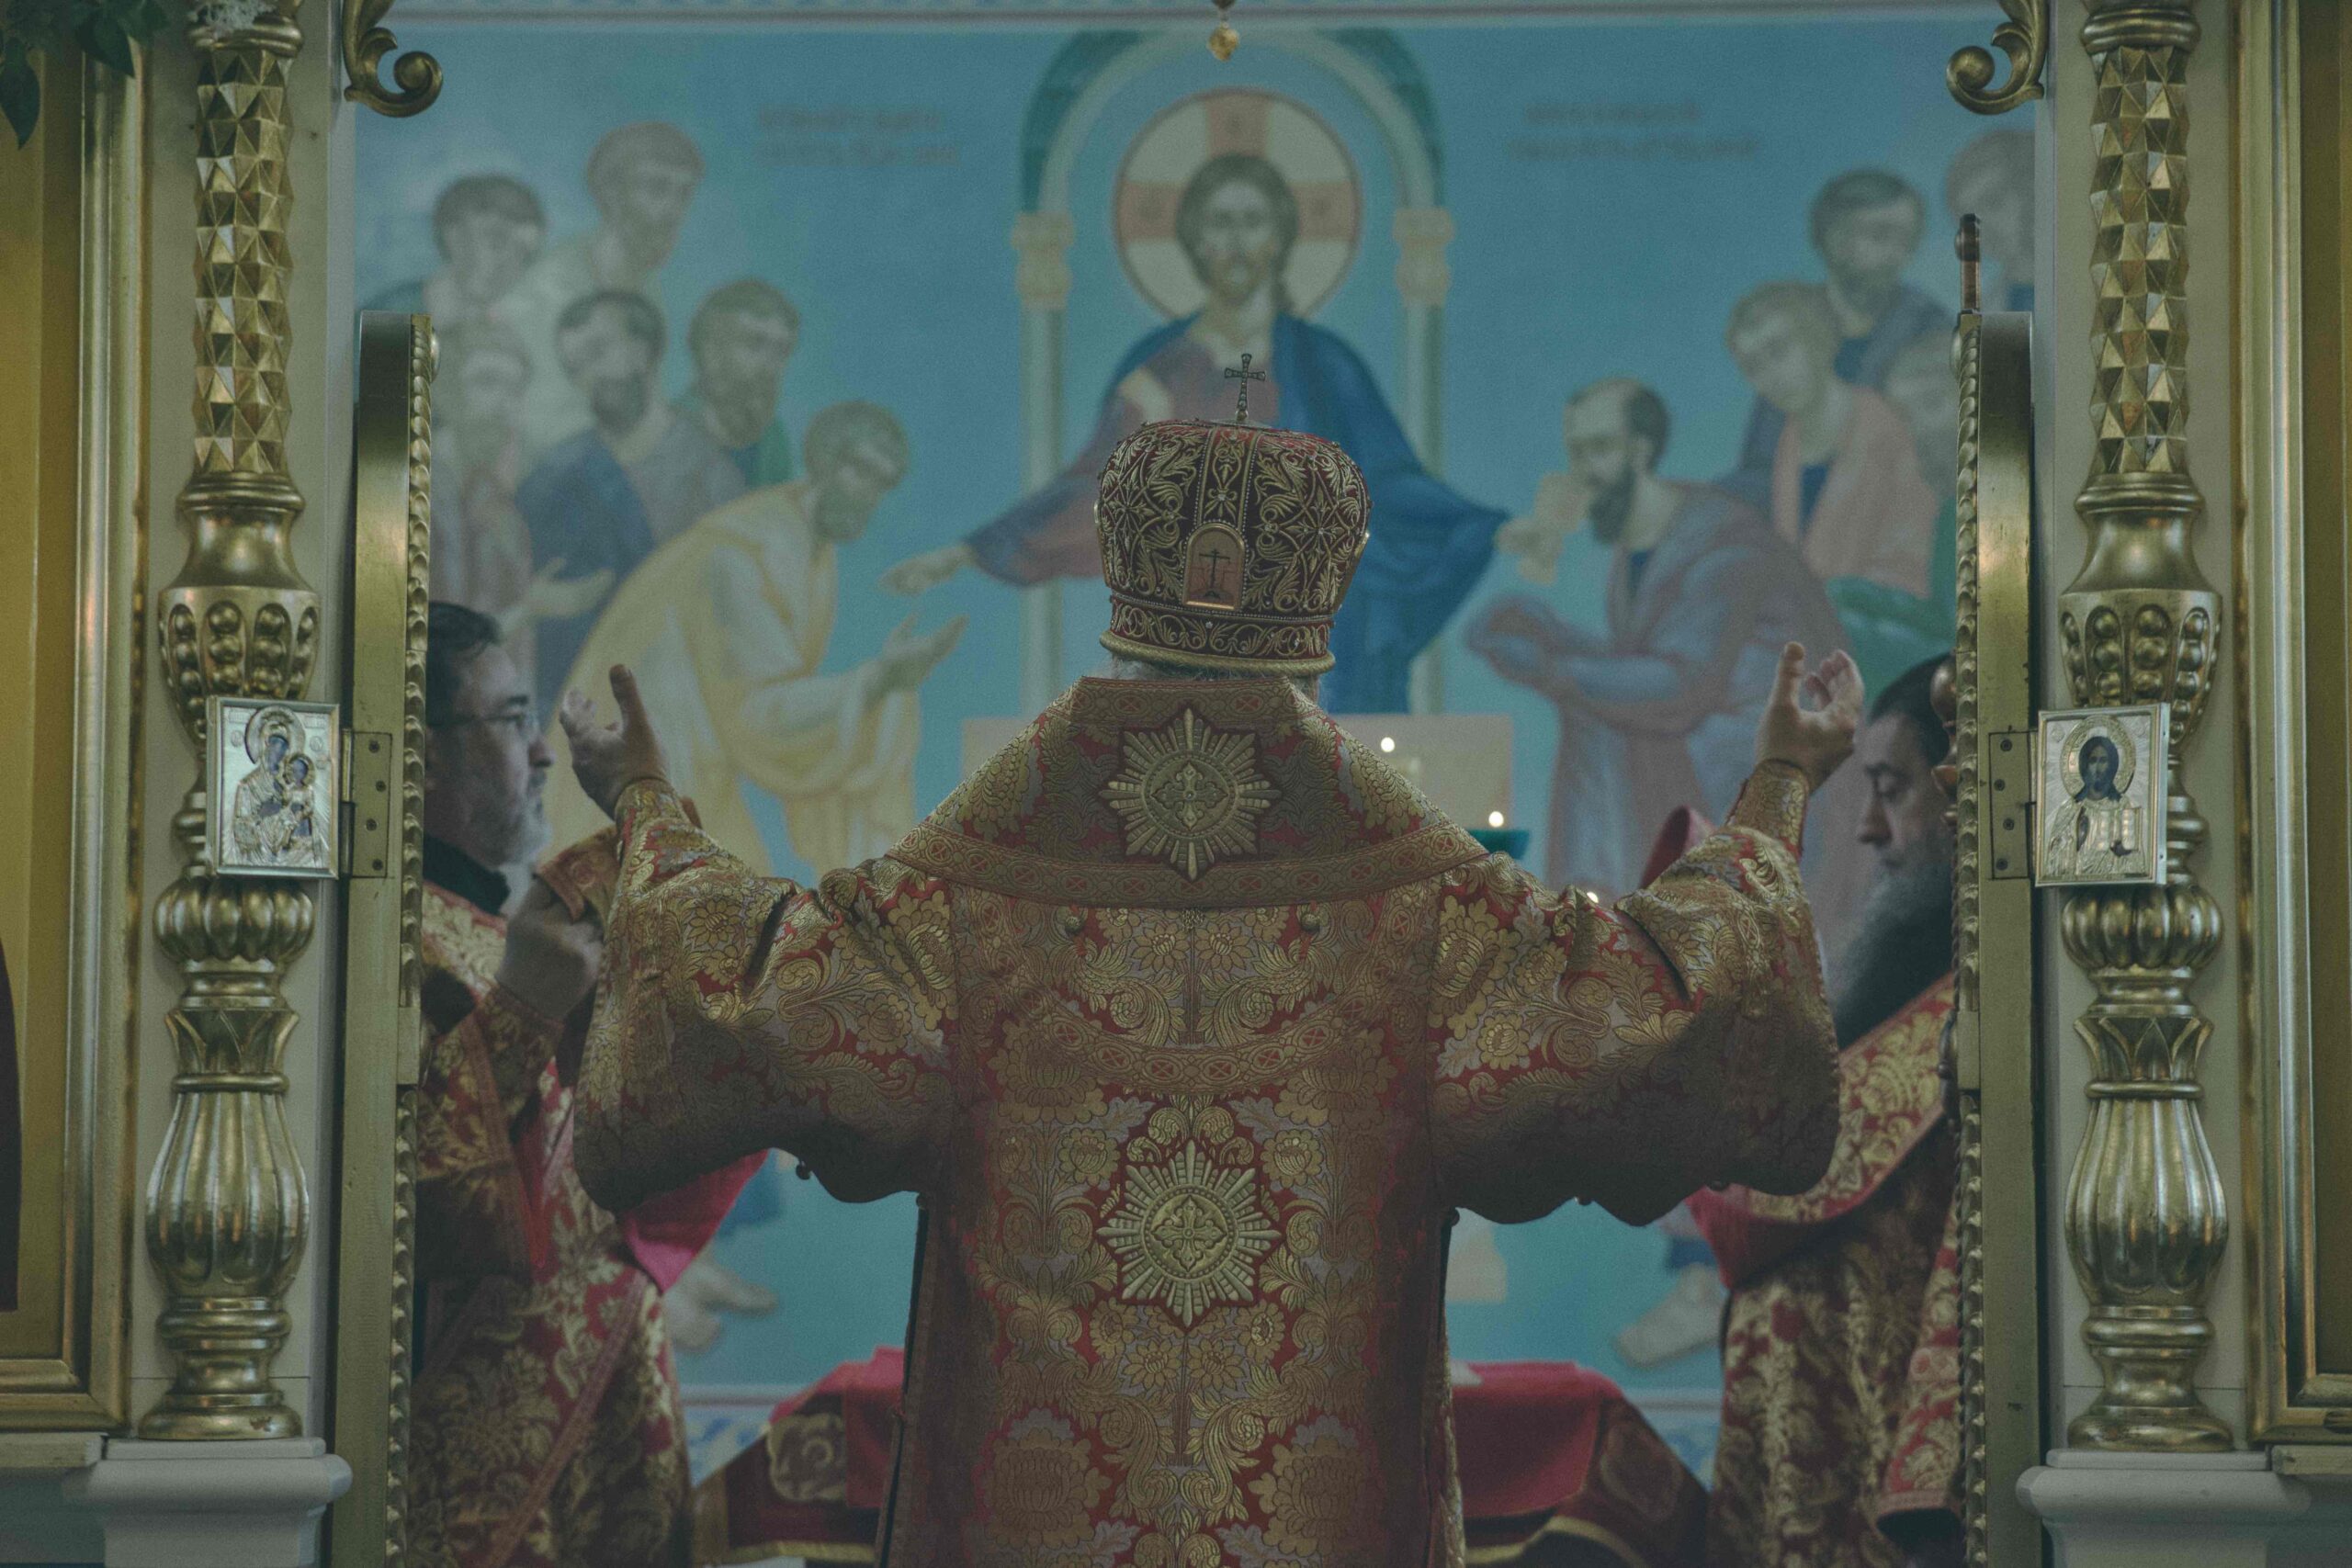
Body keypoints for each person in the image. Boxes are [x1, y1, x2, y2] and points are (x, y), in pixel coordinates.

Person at [560, 409, 1855, 1564]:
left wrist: (645, 804)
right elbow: (1658, 1010)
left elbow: (745, 990)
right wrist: (1778, 792)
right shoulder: (1431, 907)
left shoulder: (967, 889)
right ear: (1312, 625)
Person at [882, 151, 1503, 714]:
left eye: (1252, 221)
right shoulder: (1157, 371)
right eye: (1219, 223)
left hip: (1303, 641)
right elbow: (1096, 488)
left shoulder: (1324, 366)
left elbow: (1383, 484)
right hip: (1184, 632)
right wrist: (973, 550)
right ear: (1194, 240)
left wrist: (1480, 527)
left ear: (1279, 238)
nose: (1235, 241)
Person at [408, 602, 757, 1568]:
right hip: (475, 1446)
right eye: (511, 719)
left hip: (598, 1401)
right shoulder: (391, 944)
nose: (540, 752)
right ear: (423, 754)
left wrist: (644, 805)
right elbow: (417, 1195)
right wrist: (523, 1008)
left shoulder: (506, 921)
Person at [1688, 655, 1962, 1568]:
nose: (1871, 828)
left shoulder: (1966, 1013)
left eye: (1891, 788)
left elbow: (1767, 1187)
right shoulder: (1918, 993)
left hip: (1873, 1470)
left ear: (1966, 793)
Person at [545, 400, 960, 876]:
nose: (869, 495)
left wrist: (880, 684)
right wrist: (877, 681)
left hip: (685, 773)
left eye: (882, 484)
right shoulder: (744, 552)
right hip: (637, 782)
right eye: (861, 472)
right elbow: (758, 718)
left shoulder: (804, 547)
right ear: (823, 461)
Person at [1476, 378, 1850, 897]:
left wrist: (1547, 665)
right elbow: (1647, 663)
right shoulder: (1642, 546)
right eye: (1576, 452)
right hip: (1691, 753)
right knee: (1594, 709)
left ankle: (1593, 907)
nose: (1584, 471)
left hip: (1752, 767)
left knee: (1598, 718)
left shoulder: (1721, 541)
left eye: (1599, 448)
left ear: (1642, 449)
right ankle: (1594, 904)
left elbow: (1680, 686)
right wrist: (1550, 633)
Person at [515, 290, 744, 719]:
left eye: (598, 353)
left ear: (644, 351)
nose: (589, 377)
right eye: (575, 367)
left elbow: (730, 608)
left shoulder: (709, 476)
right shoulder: (554, 475)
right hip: (571, 703)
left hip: (672, 700)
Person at [1725, 168, 1949, 507]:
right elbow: (1762, 464)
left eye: (1908, 240)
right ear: (1833, 238)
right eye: (1881, 235)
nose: (1898, 254)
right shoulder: (1787, 326)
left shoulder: (1929, 326)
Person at [504, 122, 706, 458]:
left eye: (683, 194)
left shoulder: (644, 286)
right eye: (657, 188)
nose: (673, 211)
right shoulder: (548, 290)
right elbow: (540, 425)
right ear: (611, 194)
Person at [1728, 280, 1939, 600]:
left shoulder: (1886, 430)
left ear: (1818, 338)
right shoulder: (1788, 445)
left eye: (1779, 351)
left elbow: (1912, 560)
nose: (1772, 375)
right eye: (1754, 366)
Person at [1837, 330, 1962, 696]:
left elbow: (1965, 644)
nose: (1919, 428)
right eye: (1906, 416)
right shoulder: (1951, 509)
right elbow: (1947, 618)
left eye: (1932, 403)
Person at [365, 173, 546, 325]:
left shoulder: (512, 325)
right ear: (455, 239)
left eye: (524, 252)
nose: (510, 261)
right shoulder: (395, 315)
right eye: (496, 242)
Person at [678, 278, 802, 488]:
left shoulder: (773, 439)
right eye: (754, 344)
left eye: (781, 351)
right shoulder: (665, 433)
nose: (769, 366)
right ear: (711, 351)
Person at [1946, 129, 2036, 313]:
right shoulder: (1991, 307)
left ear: (2030, 191)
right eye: (1970, 220)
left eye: (1994, 202)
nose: (1983, 228)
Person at [2042, 730, 2144, 879]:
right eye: (2092, 760)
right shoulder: (2071, 810)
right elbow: (2053, 864)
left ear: (2112, 765)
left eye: (2103, 761)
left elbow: (2137, 863)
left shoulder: (2123, 806)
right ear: (2085, 765)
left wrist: (2124, 852)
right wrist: (2076, 841)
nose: (2097, 768)